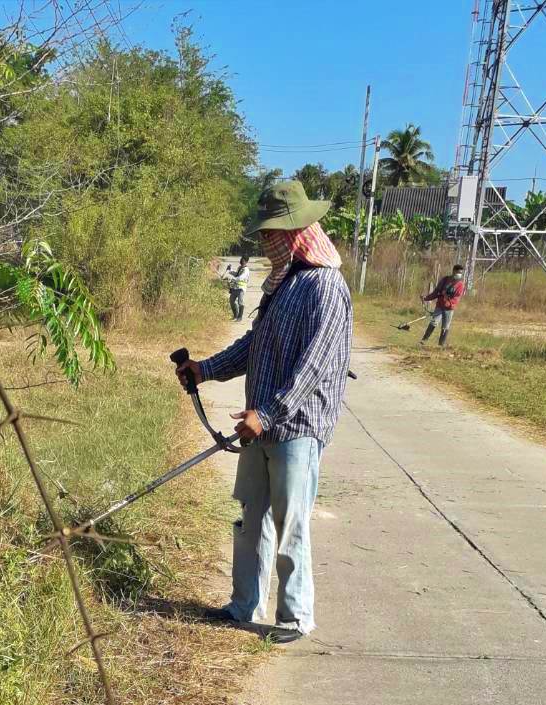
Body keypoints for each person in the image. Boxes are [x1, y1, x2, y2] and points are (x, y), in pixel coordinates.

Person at [175, 180, 352, 644]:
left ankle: (295, 617)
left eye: (271, 234)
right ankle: (243, 604)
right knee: (252, 517)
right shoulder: (283, 286)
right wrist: (206, 370)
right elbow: (256, 346)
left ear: (295, 232)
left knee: (290, 523)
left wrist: (269, 414)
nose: (264, 242)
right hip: (263, 424)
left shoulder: (326, 287)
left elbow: (314, 365)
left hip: (296, 427)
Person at [421, 264, 466, 347]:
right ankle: (424, 340)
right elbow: (436, 292)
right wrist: (426, 298)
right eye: (458, 272)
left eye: (461, 273)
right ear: (453, 271)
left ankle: (440, 345)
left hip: (449, 308)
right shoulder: (444, 280)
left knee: (445, 326)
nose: (459, 274)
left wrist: (449, 302)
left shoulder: (460, 284)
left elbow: (457, 298)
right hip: (440, 305)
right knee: (433, 322)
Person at [224, 256, 251, 321]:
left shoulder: (246, 270)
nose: (241, 261)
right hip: (235, 287)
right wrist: (230, 270)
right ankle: (235, 315)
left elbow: (241, 277)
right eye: (241, 259)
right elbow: (236, 274)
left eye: (243, 260)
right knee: (231, 301)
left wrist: (232, 279)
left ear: (246, 261)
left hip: (241, 288)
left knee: (240, 302)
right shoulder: (240, 268)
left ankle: (240, 317)